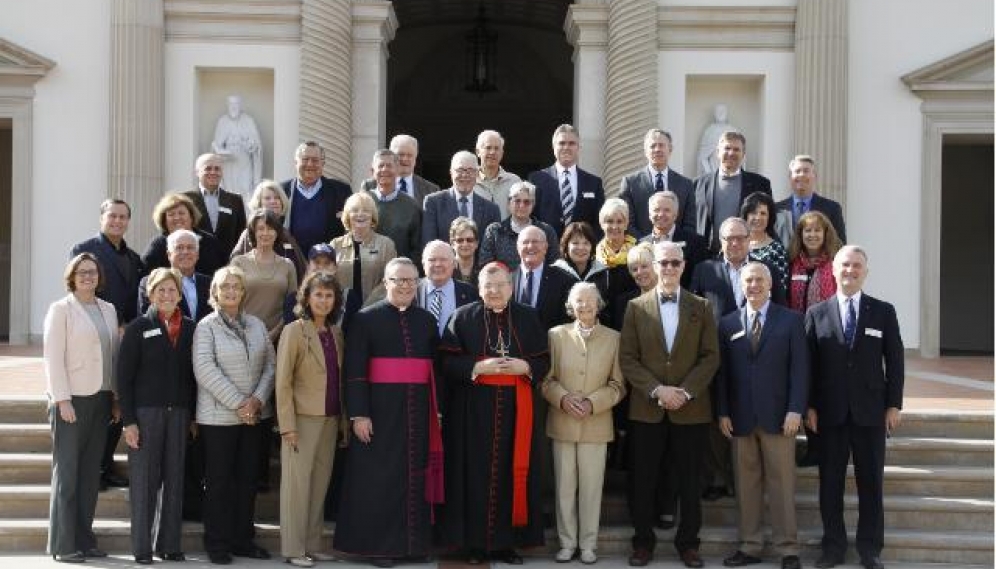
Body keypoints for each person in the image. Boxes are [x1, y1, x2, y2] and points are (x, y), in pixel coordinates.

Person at [333, 258, 443, 567]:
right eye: (398, 280)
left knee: (415, 474)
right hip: (379, 412)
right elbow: (354, 371)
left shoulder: (426, 320)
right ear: (386, 283)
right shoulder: (365, 319)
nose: (405, 286)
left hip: (418, 410)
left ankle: (413, 546)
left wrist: (437, 410)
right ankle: (381, 549)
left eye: (410, 280)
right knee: (380, 478)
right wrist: (358, 414)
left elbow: (434, 368)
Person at [438, 262, 551, 564]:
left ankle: (506, 544)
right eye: (488, 285)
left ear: (511, 287)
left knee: (511, 475)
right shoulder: (462, 317)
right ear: (479, 288)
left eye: (500, 284)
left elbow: (544, 361)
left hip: (518, 412)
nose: (495, 290)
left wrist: (525, 367)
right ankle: (475, 545)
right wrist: (477, 367)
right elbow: (447, 364)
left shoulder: (527, 317)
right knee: (474, 475)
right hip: (473, 413)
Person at [619, 241, 719, 569]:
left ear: (684, 265)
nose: (669, 268)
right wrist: (659, 390)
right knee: (644, 480)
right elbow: (628, 359)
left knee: (690, 482)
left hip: (691, 409)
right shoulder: (636, 307)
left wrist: (685, 392)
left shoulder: (701, 307)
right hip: (647, 408)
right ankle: (643, 542)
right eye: (664, 263)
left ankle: (688, 543)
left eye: (675, 263)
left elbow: (710, 357)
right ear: (656, 265)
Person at [805, 246, 904, 569]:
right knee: (830, 485)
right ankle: (833, 547)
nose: (850, 270)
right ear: (833, 270)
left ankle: (870, 549)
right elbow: (808, 366)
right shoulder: (816, 313)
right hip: (830, 414)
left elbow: (896, 361)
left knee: (871, 484)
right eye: (845, 265)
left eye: (857, 266)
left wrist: (893, 405)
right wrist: (809, 406)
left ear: (866, 271)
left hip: (871, 413)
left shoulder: (883, 312)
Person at [716, 263, 807, 569]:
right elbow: (723, 375)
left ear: (770, 284)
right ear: (741, 286)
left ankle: (788, 549)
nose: (753, 285)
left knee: (782, 486)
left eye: (758, 280)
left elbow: (800, 369)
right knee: (746, 486)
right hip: (740, 419)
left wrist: (796, 409)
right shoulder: (727, 324)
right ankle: (750, 545)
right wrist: (723, 412)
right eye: (748, 280)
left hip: (780, 418)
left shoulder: (792, 321)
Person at [193, 266, 276, 565]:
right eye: (224, 286)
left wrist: (256, 401)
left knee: (247, 480)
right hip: (219, 419)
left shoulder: (256, 324)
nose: (230, 291)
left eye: (236, 287)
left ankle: (243, 540)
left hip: (255, 416)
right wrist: (241, 404)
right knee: (219, 482)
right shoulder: (206, 326)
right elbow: (205, 369)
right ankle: (217, 543)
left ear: (243, 292)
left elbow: (270, 365)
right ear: (214, 292)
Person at [43, 253, 120, 563]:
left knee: (90, 475)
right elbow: (52, 357)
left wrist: (115, 398)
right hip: (71, 400)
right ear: (71, 277)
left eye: (92, 271)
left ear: (99, 276)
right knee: (68, 474)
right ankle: (63, 544)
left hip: (101, 399)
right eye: (81, 272)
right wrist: (62, 400)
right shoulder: (61, 309)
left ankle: (84, 539)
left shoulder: (109, 309)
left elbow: (113, 355)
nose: (88, 276)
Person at [542, 282, 626, 565]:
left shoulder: (614, 338)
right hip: (562, 421)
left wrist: (593, 403)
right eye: (578, 301)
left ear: (599, 304)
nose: (584, 306)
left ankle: (588, 544)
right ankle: (567, 543)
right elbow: (547, 379)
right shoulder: (556, 335)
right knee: (564, 487)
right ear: (570, 305)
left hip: (596, 424)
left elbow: (618, 385)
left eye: (589, 301)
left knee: (591, 489)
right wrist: (563, 399)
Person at [118, 268, 197, 564]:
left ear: (179, 295)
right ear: (150, 294)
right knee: (144, 482)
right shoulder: (138, 327)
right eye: (160, 290)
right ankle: (141, 548)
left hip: (178, 413)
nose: (166, 295)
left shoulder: (190, 328)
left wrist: (192, 417)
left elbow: (192, 376)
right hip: (145, 414)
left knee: (174, 480)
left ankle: (169, 544)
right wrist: (129, 422)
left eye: (172, 290)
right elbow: (123, 379)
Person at [70, 199, 144, 491]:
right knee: (97, 404)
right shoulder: (84, 250)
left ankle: (104, 465)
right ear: (102, 218)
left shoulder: (134, 258)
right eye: (112, 216)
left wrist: (128, 325)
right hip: (91, 335)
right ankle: (90, 468)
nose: (117, 221)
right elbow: (77, 290)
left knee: (118, 399)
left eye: (123, 217)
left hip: (123, 337)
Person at [276, 272, 346, 568]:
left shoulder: (336, 333)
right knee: (297, 486)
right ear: (306, 297)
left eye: (329, 295)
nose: (324, 300)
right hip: (301, 420)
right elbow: (283, 382)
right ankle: (293, 549)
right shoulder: (294, 330)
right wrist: (287, 425)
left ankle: (313, 544)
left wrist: (343, 422)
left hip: (330, 418)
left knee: (319, 485)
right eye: (318, 294)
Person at [788, 211, 843, 468]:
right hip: (798, 334)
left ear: (826, 234)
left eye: (817, 231)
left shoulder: (834, 264)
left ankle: (827, 446)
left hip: (826, 335)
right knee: (805, 390)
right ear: (800, 235)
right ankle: (812, 446)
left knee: (825, 389)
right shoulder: (793, 264)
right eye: (807, 231)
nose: (812, 235)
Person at [693, 131, 772, 253]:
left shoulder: (760, 184)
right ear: (718, 152)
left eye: (736, 149)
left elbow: (769, 221)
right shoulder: (698, 184)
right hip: (707, 256)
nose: (731, 153)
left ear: (743, 154)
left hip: (747, 256)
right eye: (727, 148)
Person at [230, 209, 299, 344]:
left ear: (277, 232)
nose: (265, 233)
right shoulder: (238, 262)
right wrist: (244, 331)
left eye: (270, 228)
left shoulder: (288, 265)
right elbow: (230, 300)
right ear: (253, 232)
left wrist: (275, 332)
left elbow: (293, 306)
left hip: (278, 338)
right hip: (243, 336)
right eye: (260, 229)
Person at [530, 124, 606, 237]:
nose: (566, 147)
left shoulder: (594, 183)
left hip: (582, 250)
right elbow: (531, 218)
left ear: (578, 147)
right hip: (546, 249)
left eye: (571, 143)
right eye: (561, 143)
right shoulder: (536, 179)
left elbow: (600, 222)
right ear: (553, 147)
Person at [619, 129, 696, 238]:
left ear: (670, 149)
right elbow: (627, 223)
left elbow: (690, 225)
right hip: (641, 250)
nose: (657, 149)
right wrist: (646, 244)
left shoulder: (686, 185)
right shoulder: (630, 183)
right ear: (645, 151)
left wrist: (672, 247)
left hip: (676, 250)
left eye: (661, 145)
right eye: (653, 146)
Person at [280, 141, 352, 254]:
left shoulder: (341, 191)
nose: (310, 164)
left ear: (322, 164)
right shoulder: (281, 191)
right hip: (291, 262)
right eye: (305, 159)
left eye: (315, 160)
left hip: (328, 262)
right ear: (295, 162)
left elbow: (350, 228)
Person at [423, 150, 501, 249]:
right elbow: (429, 246)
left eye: (470, 170)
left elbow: (494, 248)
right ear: (451, 172)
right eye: (460, 170)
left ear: (477, 174)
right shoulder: (433, 203)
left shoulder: (491, 209)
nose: (465, 175)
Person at [232, 180, 308, 281]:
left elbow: (302, 268)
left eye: (277, 198)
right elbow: (234, 269)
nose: (273, 201)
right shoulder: (250, 233)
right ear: (259, 203)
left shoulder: (286, 234)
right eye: (267, 198)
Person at [330, 191, 396, 305]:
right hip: (341, 313)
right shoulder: (335, 245)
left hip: (375, 311)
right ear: (347, 216)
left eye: (366, 210)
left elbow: (391, 279)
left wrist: (368, 307)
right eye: (355, 210)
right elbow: (328, 280)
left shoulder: (386, 245)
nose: (360, 214)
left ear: (372, 216)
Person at [141, 193, 226, 277]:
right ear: (164, 220)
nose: (177, 218)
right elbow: (145, 276)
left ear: (191, 217)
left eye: (181, 213)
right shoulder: (158, 246)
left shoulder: (210, 243)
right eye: (171, 214)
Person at [478, 181, 558, 270]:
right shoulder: (494, 231)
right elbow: (485, 265)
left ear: (533, 205)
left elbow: (555, 263)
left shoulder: (546, 231)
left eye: (527, 202)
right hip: (503, 282)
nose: (521, 205)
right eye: (517, 201)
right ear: (509, 203)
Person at [140, 227, 211, 323]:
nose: (185, 252)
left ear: (197, 254)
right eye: (179, 248)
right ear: (169, 255)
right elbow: (148, 320)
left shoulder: (210, 283)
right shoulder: (151, 282)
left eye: (190, 247)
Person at [512, 225, 577, 330]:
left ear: (545, 247)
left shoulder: (565, 281)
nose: (530, 246)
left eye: (535, 242)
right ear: (517, 247)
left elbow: (568, 323)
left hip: (550, 344)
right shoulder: (506, 278)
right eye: (525, 242)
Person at [638, 191, 708, 289]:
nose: (661, 214)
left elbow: (701, 280)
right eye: (656, 210)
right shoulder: (640, 245)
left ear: (676, 214)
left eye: (667, 210)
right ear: (649, 215)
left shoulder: (695, 243)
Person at [185, 153, 248, 256]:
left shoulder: (235, 200)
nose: (213, 172)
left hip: (227, 263)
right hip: (196, 262)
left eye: (217, 169)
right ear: (197, 172)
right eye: (208, 168)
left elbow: (241, 235)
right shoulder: (186, 200)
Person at [367, 149, 423, 262]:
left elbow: (417, 247)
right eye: (381, 166)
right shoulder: (362, 202)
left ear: (398, 170)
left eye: (389, 166)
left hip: (399, 273)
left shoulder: (412, 206)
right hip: (367, 271)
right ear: (372, 171)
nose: (385, 169)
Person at [776, 155, 847, 243]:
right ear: (790, 177)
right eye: (797, 171)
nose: (801, 175)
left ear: (815, 176)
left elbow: (840, 243)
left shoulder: (832, 208)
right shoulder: (777, 209)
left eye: (806, 171)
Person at [360, 134, 441, 206]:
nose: (405, 159)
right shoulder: (369, 186)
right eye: (400, 154)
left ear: (415, 158)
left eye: (409, 155)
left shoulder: (431, 190)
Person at [417, 240, 477, 337]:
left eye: (443, 259)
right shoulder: (411, 292)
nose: (438, 264)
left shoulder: (470, 293)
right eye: (432, 260)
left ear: (454, 264)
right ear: (423, 264)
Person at [211, 95, 262, 202]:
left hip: (244, 161)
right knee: (229, 188)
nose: (233, 107)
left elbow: (256, 144)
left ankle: (246, 215)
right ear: (227, 105)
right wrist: (221, 151)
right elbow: (216, 145)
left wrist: (252, 146)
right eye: (231, 104)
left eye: (236, 104)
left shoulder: (248, 120)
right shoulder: (223, 121)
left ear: (240, 105)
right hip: (228, 162)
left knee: (246, 186)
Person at [742, 191, 789, 294]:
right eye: (753, 213)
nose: (758, 217)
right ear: (746, 215)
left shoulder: (777, 249)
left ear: (769, 218)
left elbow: (781, 289)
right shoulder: (737, 245)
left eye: (763, 213)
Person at [474, 129, 522, 218]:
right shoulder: (469, 181)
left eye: (496, 148)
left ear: (502, 153)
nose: (492, 152)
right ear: (478, 152)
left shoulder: (514, 182)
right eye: (488, 148)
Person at [696, 103, 737, 177]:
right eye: (718, 111)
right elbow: (703, 156)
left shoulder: (733, 131)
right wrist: (709, 173)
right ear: (714, 114)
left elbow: (740, 156)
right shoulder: (709, 131)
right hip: (713, 172)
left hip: (732, 174)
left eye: (723, 111)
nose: (720, 113)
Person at [449, 217, 480, 286]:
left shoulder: (484, 270)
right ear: (452, 243)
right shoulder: (446, 270)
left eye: (469, 240)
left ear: (476, 243)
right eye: (460, 240)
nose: (465, 244)